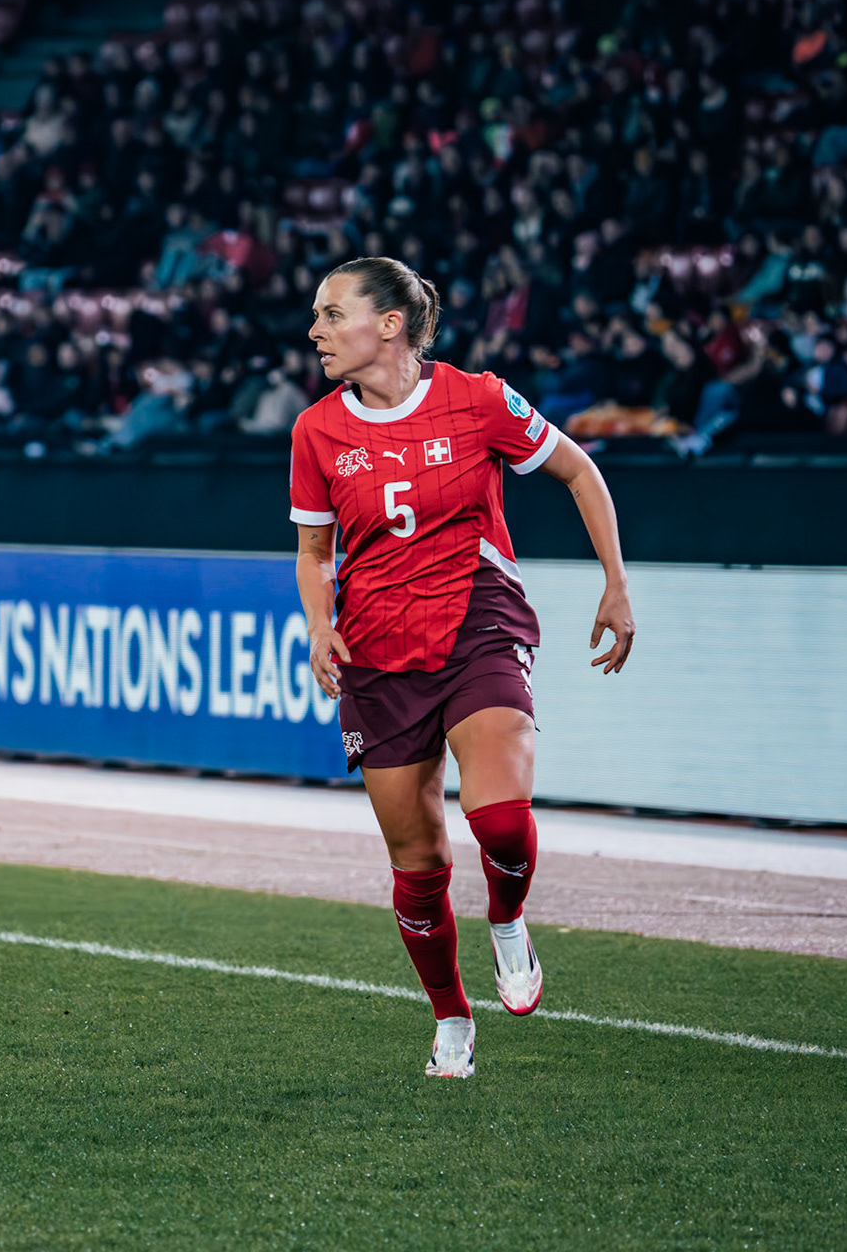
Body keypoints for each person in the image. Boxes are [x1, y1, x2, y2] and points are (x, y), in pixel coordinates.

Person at [291, 257, 635, 1079]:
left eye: (332, 314)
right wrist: (317, 624)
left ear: (389, 325)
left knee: (500, 818)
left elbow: (580, 471)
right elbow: (313, 550)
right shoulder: (316, 431)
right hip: (376, 650)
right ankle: (451, 1016)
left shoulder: (479, 399)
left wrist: (616, 583)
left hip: (478, 618)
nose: (316, 332)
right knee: (418, 862)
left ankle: (509, 920)